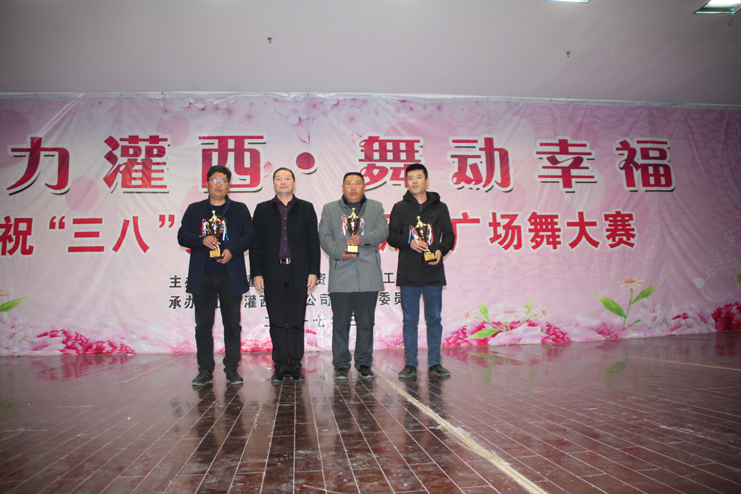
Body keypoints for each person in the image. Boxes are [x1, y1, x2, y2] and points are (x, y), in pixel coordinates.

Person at [178, 165, 256, 386]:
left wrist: (233, 250)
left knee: (232, 325)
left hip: (231, 276)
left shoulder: (239, 209)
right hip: (203, 276)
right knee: (203, 326)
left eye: (223, 180)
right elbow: (182, 235)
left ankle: (232, 369)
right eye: (214, 180)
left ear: (229, 184)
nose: (218, 184)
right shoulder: (195, 209)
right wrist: (201, 240)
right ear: (207, 184)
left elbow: (250, 236)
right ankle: (205, 370)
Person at [250, 167, 320, 382]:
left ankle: (296, 365)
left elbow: (313, 243)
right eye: (278, 178)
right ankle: (280, 365)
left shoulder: (306, 208)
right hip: (272, 271)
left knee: (296, 321)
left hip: (299, 271)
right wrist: (256, 273)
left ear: (294, 183)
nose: (283, 182)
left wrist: (313, 271)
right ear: (273, 183)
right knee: (277, 321)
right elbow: (255, 245)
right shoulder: (262, 209)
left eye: (287, 178)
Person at [387, 163, 455, 378]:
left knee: (434, 319)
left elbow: (449, 235)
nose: (414, 181)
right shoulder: (400, 208)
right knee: (410, 320)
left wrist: (441, 250)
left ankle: (435, 363)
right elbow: (391, 237)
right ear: (406, 182)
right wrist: (409, 242)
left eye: (418, 177)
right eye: (410, 178)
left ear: (427, 180)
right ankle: (410, 363)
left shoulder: (440, 207)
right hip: (408, 272)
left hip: (433, 270)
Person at [319, 172, 389, 379]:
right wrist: (338, 252)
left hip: (368, 273)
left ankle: (364, 362)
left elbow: (383, 231)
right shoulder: (330, 209)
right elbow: (324, 236)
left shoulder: (376, 207)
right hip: (341, 271)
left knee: (366, 323)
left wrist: (363, 238)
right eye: (349, 183)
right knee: (340, 323)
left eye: (357, 183)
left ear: (364, 187)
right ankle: (341, 363)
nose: (353, 187)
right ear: (342, 187)